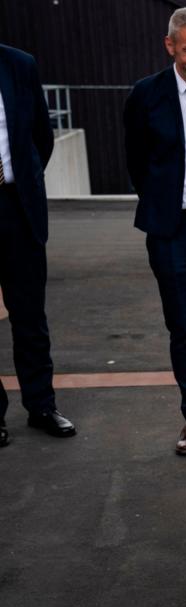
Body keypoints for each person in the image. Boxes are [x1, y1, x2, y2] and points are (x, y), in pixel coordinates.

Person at [123, 8, 186, 456]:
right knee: (182, 328)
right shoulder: (145, 95)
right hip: (169, 233)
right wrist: (167, 204)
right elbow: (136, 163)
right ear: (170, 46)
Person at [0, 43, 76, 447]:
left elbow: (41, 138)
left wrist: (24, 182)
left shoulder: (19, 65)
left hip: (17, 206)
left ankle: (41, 405)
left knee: (29, 315)